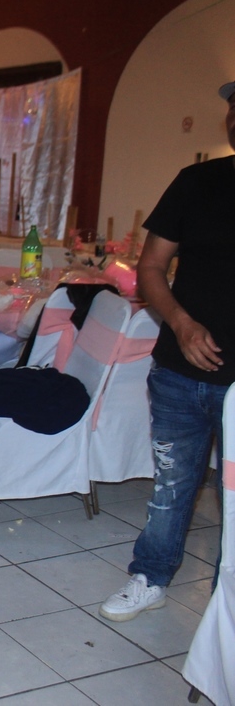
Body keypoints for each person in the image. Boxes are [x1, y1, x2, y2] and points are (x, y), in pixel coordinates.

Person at [99, 80, 235, 622]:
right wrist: (181, 323)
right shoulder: (197, 182)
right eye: (233, 107)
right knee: (173, 484)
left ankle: (226, 603)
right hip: (180, 372)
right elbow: (151, 267)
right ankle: (151, 576)